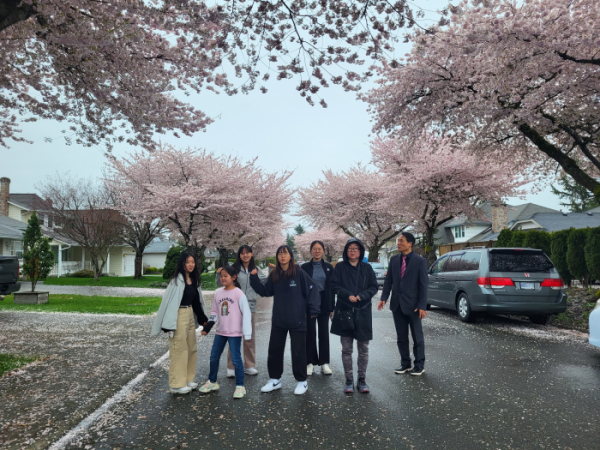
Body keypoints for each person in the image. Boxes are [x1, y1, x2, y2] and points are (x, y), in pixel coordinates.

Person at [250, 245, 321, 395]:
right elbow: (265, 291)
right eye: (280, 254)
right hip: (279, 319)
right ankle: (275, 380)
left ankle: (302, 381)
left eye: (285, 253)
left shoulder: (299, 273)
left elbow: (312, 289)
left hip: (297, 319)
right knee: (274, 350)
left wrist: (314, 309)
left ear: (290, 256)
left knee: (298, 352)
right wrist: (254, 278)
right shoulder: (275, 274)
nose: (282, 256)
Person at [151, 252, 208, 394]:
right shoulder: (176, 282)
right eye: (187, 262)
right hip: (178, 315)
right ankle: (177, 384)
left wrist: (202, 318)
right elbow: (167, 303)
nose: (190, 265)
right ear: (182, 264)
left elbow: (197, 301)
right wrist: (167, 324)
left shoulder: (194, 280)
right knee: (179, 348)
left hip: (189, 314)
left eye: (192, 262)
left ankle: (188, 379)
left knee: (191, 348)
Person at [330, 238, 378, 394]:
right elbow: (334, 285)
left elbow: (374, 287)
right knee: (346, 349)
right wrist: (347, 295)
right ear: (346, 251)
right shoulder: (340, 267)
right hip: (345, 311)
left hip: (363, 311)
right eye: (350, 248)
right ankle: (349, 380)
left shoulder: (367, 268)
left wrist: (362, 296)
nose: (353, 251)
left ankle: (362, 380)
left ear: (361, 251)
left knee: (363, 348)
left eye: (356, 248)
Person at [378, 232, 428, 376]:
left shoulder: (420, 261)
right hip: (397, 304)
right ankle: (405, 363)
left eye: (401, 241)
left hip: (414, 306)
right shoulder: (394, 260)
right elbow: (389, 280)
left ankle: (419, 365)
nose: (398, 243)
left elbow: (423, 285)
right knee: (401, 337)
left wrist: (422, 305)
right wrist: (384, 297)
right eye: (397, 241)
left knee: (417, 336)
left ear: (410, 243)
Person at [200, 265, 252, 399]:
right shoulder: (218, 293)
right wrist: (207, 328)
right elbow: (214, 312)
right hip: (220, 332)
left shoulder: (239, 294)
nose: (223, 278)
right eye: (221, 276)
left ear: (233, 277)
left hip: (234, 333)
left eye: (226, 276)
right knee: (214, 356)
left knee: (236, 359)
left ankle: (240, 386)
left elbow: (246, 313)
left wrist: (247, 334)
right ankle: (212, 382)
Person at [215, 245, 267, 378]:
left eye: (247, 252)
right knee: (233, 336)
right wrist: (218, 274)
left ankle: (249, 365)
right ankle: (231, 366)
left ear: (252, 254)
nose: (245, 255)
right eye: (242, 253)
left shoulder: (256, 269)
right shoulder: (234, 269)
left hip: (250, 306)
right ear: (239, 255)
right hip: (234, 307)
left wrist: (272, 270)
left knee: (249, 338)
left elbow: (266, 282)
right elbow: (221, 283)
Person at [301, 240, 335, 376]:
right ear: (311, 251)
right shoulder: (304, 267)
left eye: (319, 249)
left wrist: (331, 307)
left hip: (324, 302)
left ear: (323, 251)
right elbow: (301, 288)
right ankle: (310, 362)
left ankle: (324, 363)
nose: (317, 251)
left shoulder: (328, 267)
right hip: (310, 303)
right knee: (310, 333)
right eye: (314, 249)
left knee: (324, 333)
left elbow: (332, 288)